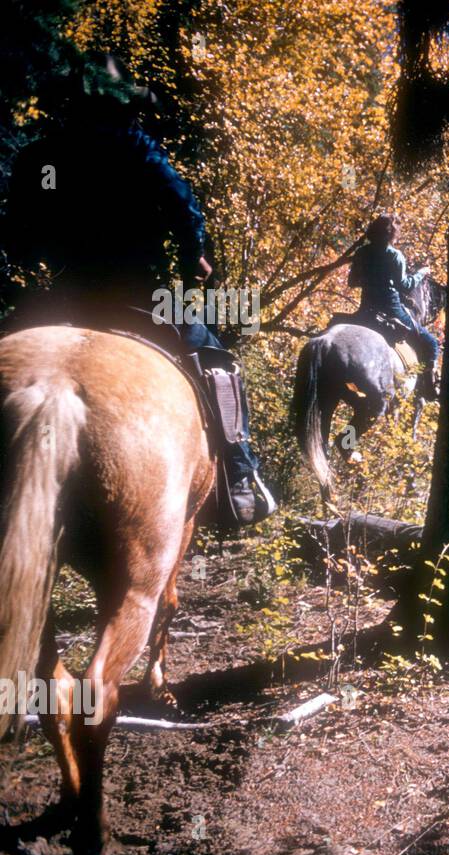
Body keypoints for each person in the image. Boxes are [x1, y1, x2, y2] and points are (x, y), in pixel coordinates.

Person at [1, 53, 275, 526]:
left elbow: (19, 229)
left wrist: (38, 257)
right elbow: (185, 208)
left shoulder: (43, 157)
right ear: (123, 105)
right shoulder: (136, 147)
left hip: (64, 295)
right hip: (138, 297)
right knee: (216, 360)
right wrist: (195, 259)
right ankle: (240, 477)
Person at [347, 214, 439, 395]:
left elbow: (352, 282)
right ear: (392, 235)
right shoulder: (395, 256)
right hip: (391, 309)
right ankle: (429, 388)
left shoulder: (361, 253)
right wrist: (421, 273)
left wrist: (370, 280)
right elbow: (404, 286)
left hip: (366, 310)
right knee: (431, 343)